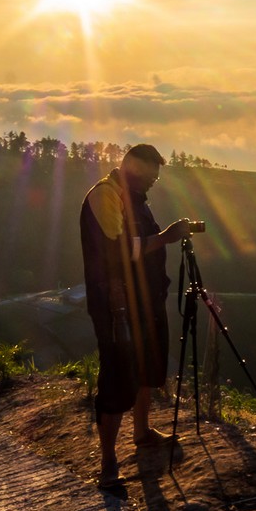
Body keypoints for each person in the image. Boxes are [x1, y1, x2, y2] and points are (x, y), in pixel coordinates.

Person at [79, 144, 193, 488]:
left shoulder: (134, 199)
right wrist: (167, 237)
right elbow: (120, 250)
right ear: (131, 167)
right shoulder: (105, 196)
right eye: (149, 176)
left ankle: (142, 432)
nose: (153, 183)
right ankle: (108, 463)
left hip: (145, 300)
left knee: (147, 366)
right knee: (117, 376)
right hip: (117, 305)